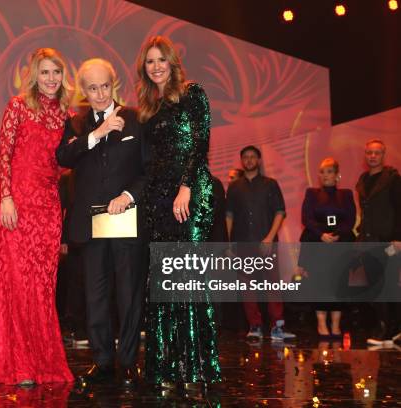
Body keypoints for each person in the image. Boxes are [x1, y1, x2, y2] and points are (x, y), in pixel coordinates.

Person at [56, 58, 148, 387]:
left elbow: (148, 171)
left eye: (104, 86)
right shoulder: (77, 124)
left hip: (126, 218)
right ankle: (102, 361)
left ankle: (128, 360)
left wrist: (129, 195)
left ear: (114, 84)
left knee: (129, 293)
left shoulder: (136, 119)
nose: (99, 94)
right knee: (95, 295)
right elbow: (63, 157)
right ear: (83, 91)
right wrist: (97, 133)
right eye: (92, 88)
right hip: (91, 222)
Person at [0, 47, 74, 385]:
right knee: (18, 283)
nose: (51, 79)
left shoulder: (67, 114)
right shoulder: (18, 106)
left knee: (42, 287)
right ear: (34, 75)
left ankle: (43, 361)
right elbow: (3, 154)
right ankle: (20, 363)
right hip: (16, 204)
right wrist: (5, 196)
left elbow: (65, 161)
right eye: (45, 72)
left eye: (56, 72)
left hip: (49, 207)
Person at [136, 35, 221, 389]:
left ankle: (197, 366)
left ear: (172, 63)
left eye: (161, 60)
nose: (156, 67)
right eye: (150, 62)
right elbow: (150, 162)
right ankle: (168, 367)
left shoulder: (192, 93)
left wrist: (185, 186)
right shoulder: (148, 107)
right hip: (159, 200)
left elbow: (200, 144)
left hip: (191, 193)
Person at [226, 145, 296, 342]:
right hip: (242, 244)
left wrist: (269, 237)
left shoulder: (270, 184)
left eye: (252, 157)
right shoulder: (234, 186)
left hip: (267, 244)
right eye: (245, 157)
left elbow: (280, 212)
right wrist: (230, 244)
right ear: (242, 161)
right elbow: (229, 216)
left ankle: (277, 327)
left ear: (259, 160)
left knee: (272, 285)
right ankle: (254, 326)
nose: (249, 160)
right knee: (247, 287)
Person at [299, 158, 356, 338]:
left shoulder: (346, 194)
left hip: (340, 245)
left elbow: (350, 219)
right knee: (320, 284)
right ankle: (322, 324)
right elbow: (306, 218)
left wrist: (337, 234)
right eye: (322, 172)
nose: (326, 175)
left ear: (337, 175)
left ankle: (336, 324)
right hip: (317, 244)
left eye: (329, 171)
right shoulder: (312, 193)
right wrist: (321, 235)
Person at [355, 139, 401, 346]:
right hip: (368, 240)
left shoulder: (393, 179)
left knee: (388, 284)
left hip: (388, 240)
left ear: (383, 155)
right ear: (365, 155)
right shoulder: (363, 180)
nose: (373, 156)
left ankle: (388, 329)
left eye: (377, 153)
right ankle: (389, 328)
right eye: (369, 153)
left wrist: (399, 237)